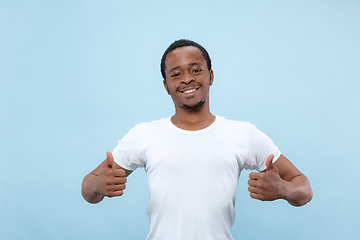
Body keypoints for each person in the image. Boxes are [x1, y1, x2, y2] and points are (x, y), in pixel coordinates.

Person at [81, 39, 313, 240]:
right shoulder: (144, 134)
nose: (186, 79)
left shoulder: (243, 134)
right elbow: (88, 189)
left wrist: (285, 190)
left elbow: (303, 188)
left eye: (195, 70)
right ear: (166, 86)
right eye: (176, 74)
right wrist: (97, 186)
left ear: (210, 76)